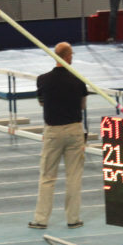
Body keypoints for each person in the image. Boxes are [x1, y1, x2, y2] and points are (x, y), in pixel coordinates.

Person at [29, 42, 88, 230]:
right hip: (74, 131)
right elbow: (82, 106)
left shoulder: (43, 80)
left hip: (53, 132)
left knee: (47, 176)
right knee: (74, 177)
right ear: (69, 56)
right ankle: (73, 219)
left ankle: (40, 219)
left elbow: (40, 102)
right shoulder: (79, 79)